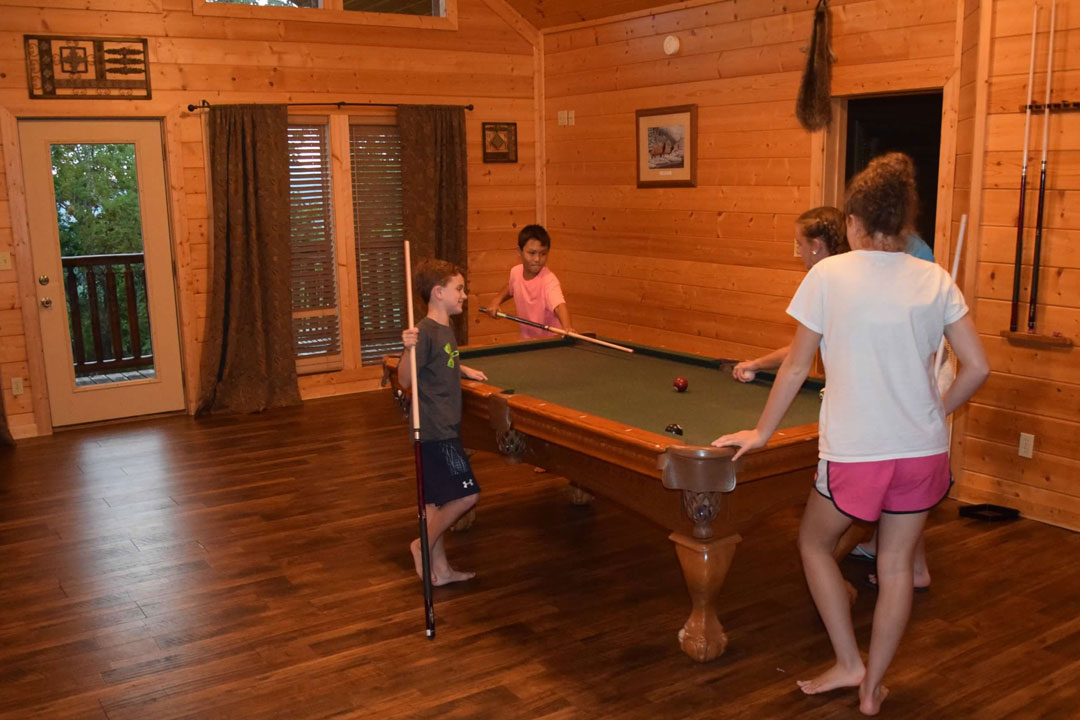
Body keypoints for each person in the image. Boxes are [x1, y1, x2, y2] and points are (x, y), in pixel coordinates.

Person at [712, 155, 989, 715]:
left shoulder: (828, 274)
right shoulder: (935, 279)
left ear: (856, 222)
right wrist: (937, 410)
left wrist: (762, 432)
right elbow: (979, 368)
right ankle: (870, 690)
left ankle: (849, 661)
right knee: (894, 571)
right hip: (922, 451)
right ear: (904, 223)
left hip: (857, 452)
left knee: (815, 544)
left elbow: (793, 367)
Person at [399, 259, 489, 586]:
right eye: (459, 289)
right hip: (436, 432)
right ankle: (421, 544)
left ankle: (442, 571)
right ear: (439, 292)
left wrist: (462, 370)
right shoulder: (423, 332)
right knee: (467, 495)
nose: (464, 295)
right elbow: (406, 378)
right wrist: (407, 349)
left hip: (445, 426)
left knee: (435, 503)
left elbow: (442, 361)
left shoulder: (444, 328)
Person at [731, 206, 848, 383]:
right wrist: (756, 364)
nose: (799, 251)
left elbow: (796, 363)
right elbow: (800, 347)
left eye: (800, 243)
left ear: (815, 246)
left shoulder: (822, 276)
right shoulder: (850, 272)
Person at [486, 224, 573, 338]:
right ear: (519, 251)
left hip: (551, 344)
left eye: (543, 254)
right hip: (528, 342)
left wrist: (567, 329)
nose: (537, 259)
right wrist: (496, 301)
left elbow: (559, 305)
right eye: (532, 253)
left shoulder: (549, 280)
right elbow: (511, 287)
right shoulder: (516, 272)